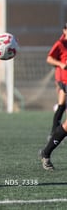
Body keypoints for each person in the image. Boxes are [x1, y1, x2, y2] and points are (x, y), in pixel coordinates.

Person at [40, 23, 67, 170]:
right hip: (64, 81)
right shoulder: (61, 43)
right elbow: (49, 58)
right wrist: (62, 65)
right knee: (62, 105)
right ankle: (46, 151)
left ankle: (46, 152)